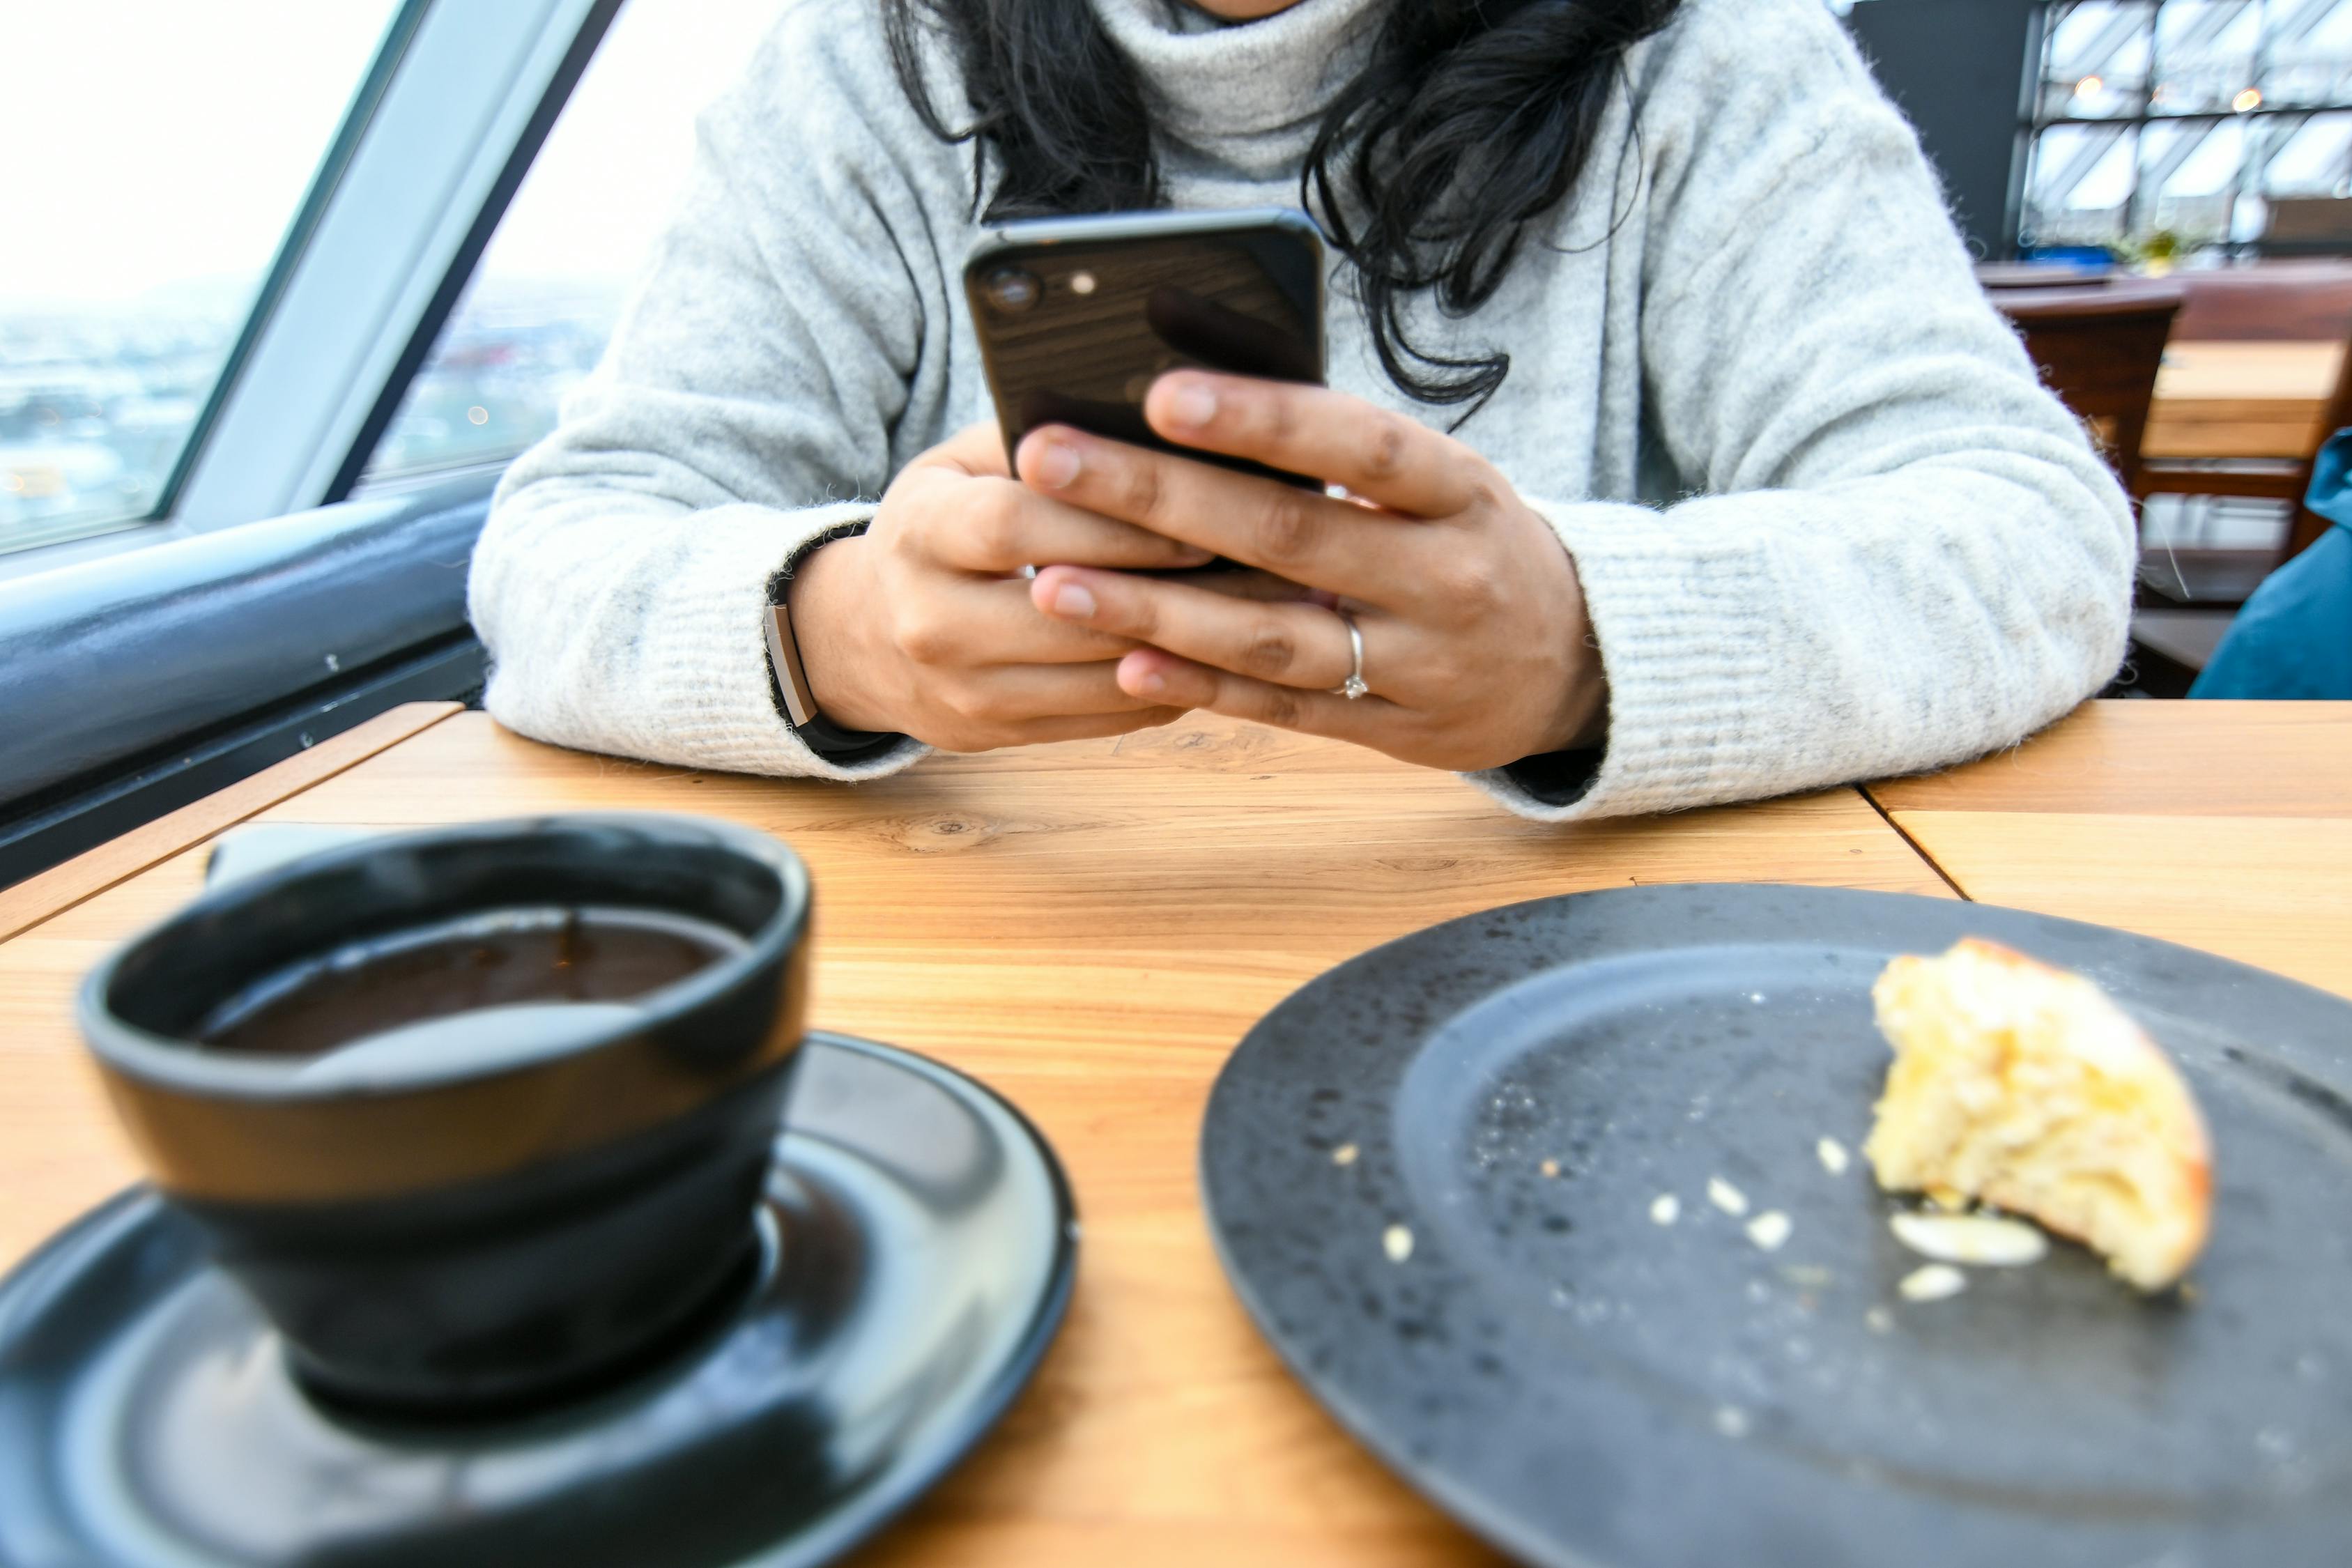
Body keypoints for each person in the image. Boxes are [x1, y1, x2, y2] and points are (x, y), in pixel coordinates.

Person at [469, 0, 2132, 821]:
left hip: (1565, 989)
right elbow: (556, 553)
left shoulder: (1707, 63)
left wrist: (1580, 648)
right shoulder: (858, 74)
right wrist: (835, 632)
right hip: (980, 1010)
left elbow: (2025, 533)